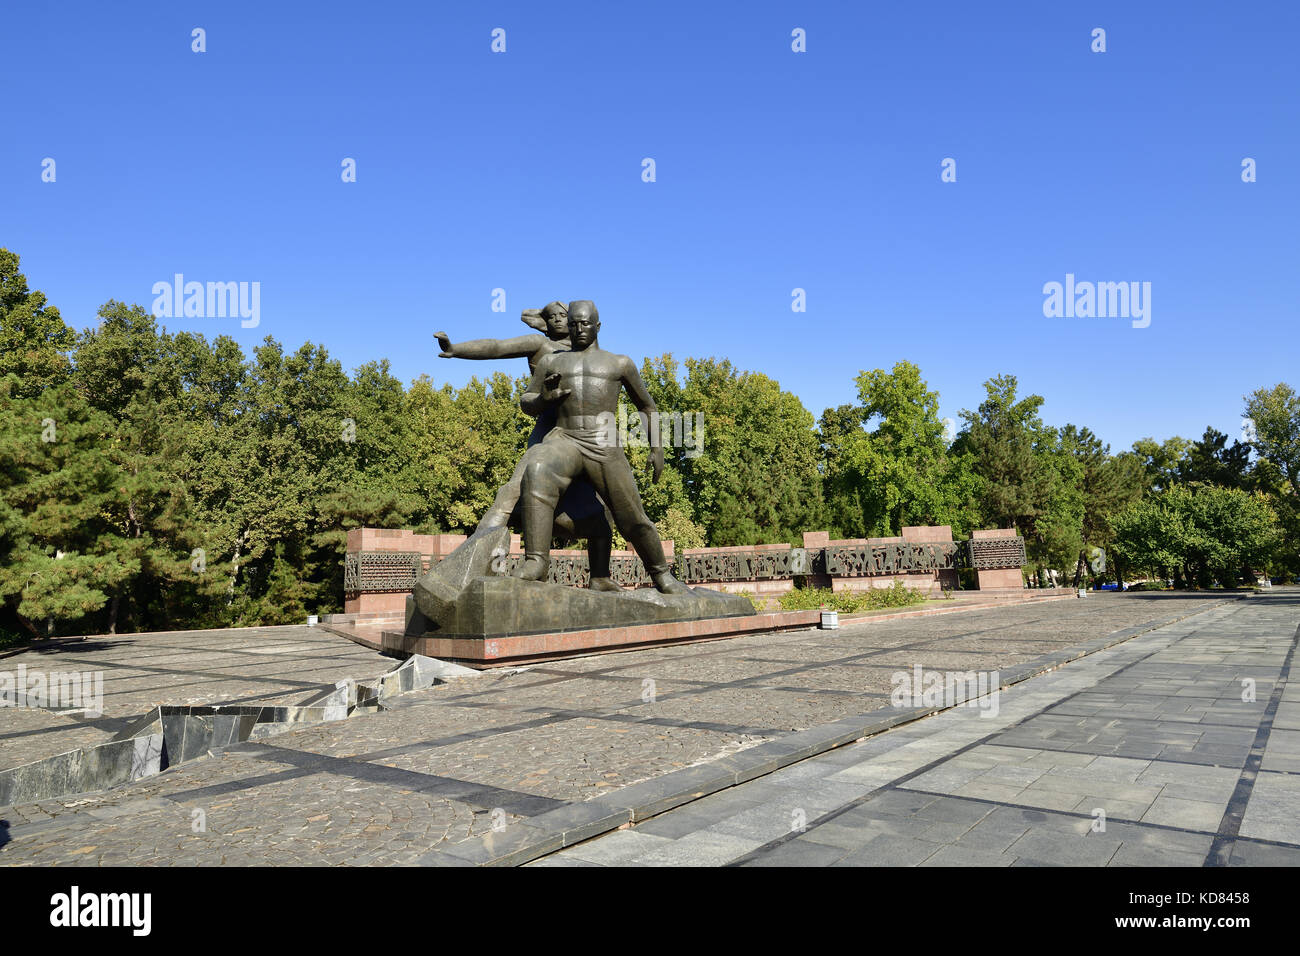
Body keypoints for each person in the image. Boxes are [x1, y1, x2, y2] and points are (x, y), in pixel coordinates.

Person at [435, 303, 618, 589]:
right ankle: (469, 573)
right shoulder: (541, 346)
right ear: (542, 323)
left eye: (564, 316)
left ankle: (600, 577)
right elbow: (496, 347)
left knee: (602, 509)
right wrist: (456, 349)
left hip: (588, 440)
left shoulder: (587, 352)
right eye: (553, 317)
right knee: (511, 493)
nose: (559, 321)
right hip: (550, 433)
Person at [517, 300, 687, 595]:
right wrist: (544, 398)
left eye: (584, 323)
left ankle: (661, 573)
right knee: (538, 469)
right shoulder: (550, 362)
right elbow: (526, 402)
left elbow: (647, 406)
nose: (578, 329)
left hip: (603, 441)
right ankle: (536, 562)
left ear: (598, 325)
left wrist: (657, 447)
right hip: (565, 437)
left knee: (631, 514)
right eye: (573, 324)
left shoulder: (619, 363)